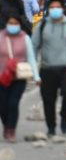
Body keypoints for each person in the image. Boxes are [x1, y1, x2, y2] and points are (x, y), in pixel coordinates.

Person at [32, 0, 66, 136]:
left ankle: (64, 118)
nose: (55, 10)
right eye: (52, 7)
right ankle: (51, 127)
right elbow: (34, 47)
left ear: (63, 9)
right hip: (47, 68)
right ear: (48, 9)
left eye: (58, 7)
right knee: (48, 100)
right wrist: (32, 69)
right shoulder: (42, 26)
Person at [0, 13, 40, 143]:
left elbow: (31, 58)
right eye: (10, 23)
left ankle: (11, 129)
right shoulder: (1, 36)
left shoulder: (25, 38)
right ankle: (6, 125)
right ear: (6, 24)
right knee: (3, 105)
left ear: (20, 25)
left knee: (13, 103)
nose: (13, 26)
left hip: (19, 77)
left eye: (15, 23)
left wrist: (36, 76)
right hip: (2, 77)